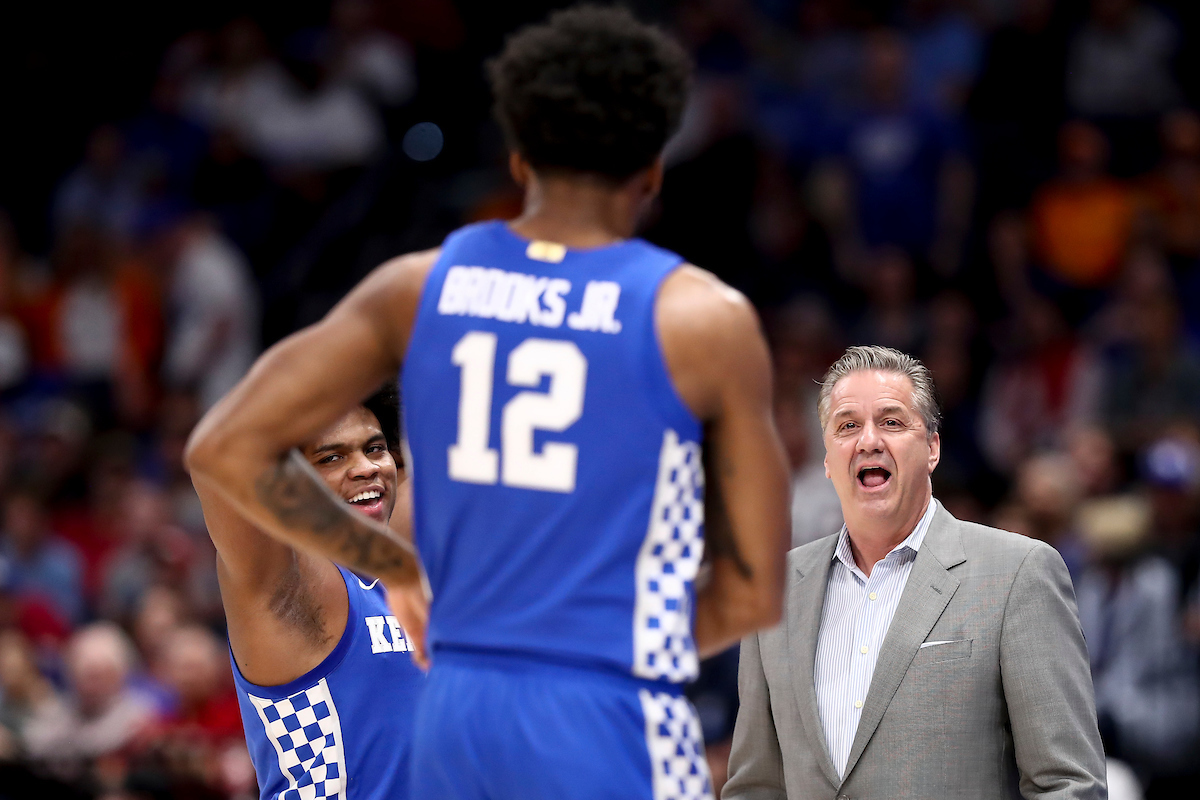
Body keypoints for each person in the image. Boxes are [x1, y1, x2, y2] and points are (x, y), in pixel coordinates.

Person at [185, 6, 790, 799]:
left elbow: (220, 449)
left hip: (461, 702)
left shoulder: (420, 287)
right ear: (652, 170)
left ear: (516, 159)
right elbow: (753, 588)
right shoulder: (703, 317)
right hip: (600, 711)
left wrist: (389, 567)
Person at [723, 345, 1106, 800]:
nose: (868, 441)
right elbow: (755, 787)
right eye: (847, 426)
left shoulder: (1018, 573)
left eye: (891, 422)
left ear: (932, 448)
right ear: (826, 459)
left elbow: (1068, 785)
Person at [193, 384, 425, 799]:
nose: (366, 468)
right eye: (331, 457)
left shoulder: (400, 575)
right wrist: (360, 339)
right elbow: (218, 449)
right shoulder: (286, 582)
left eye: (374, 449)